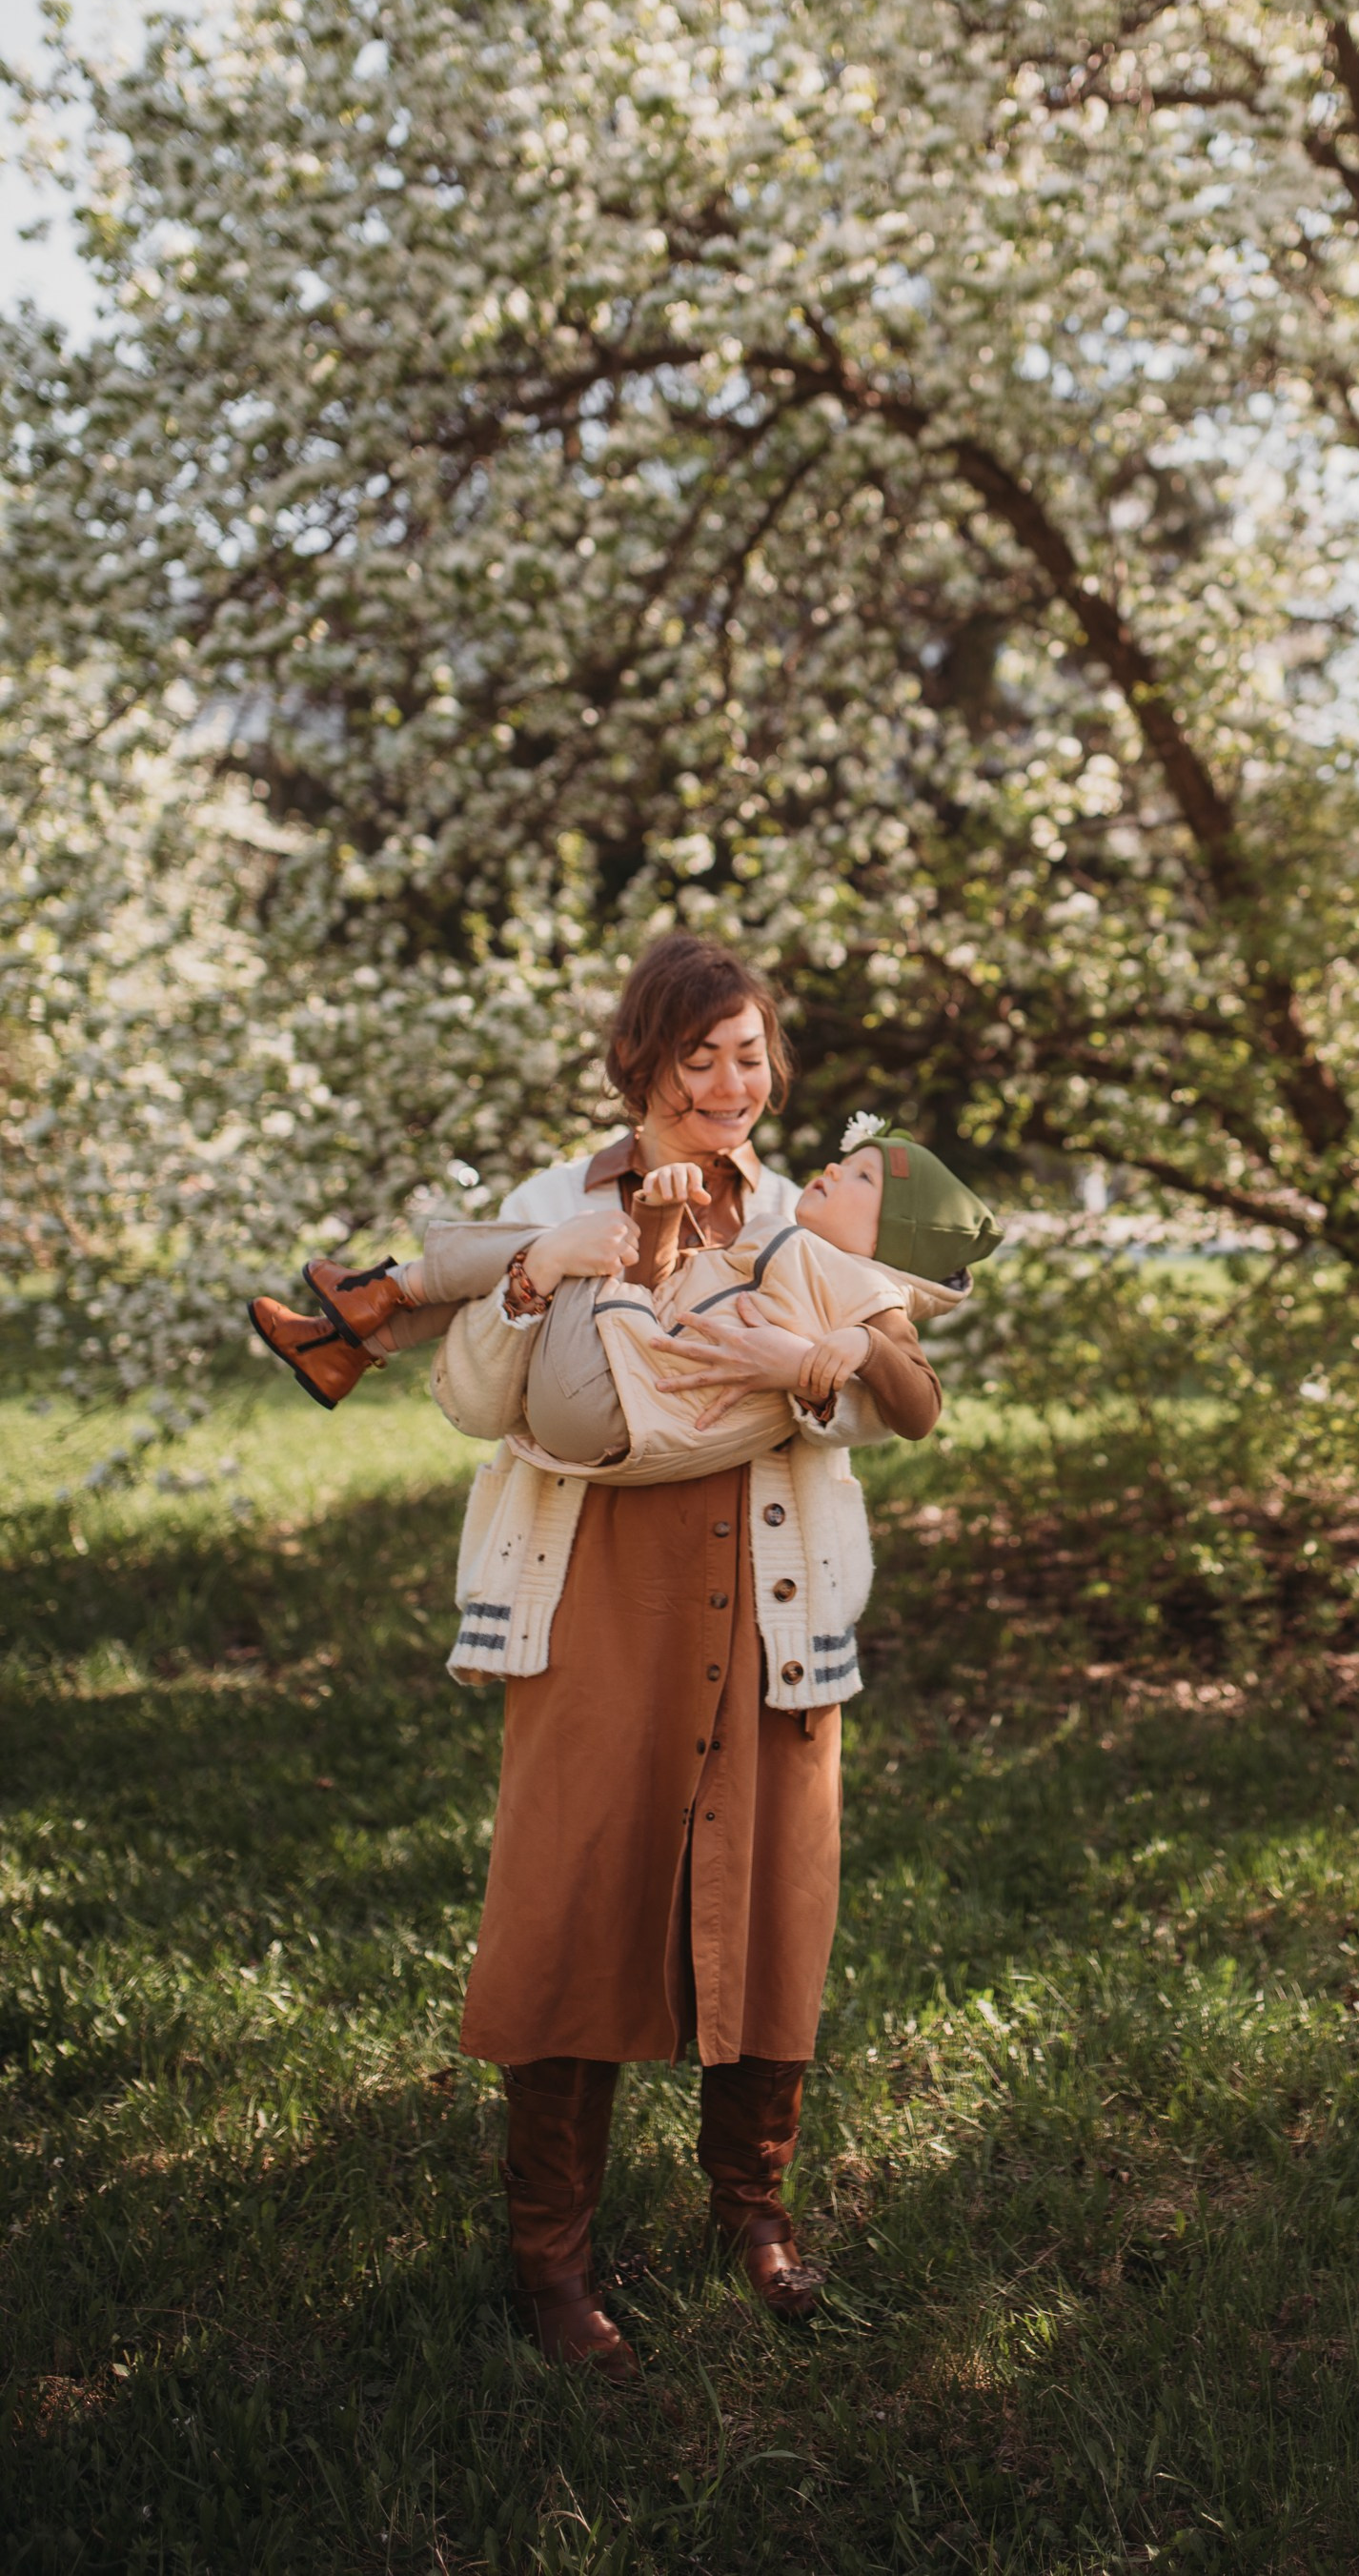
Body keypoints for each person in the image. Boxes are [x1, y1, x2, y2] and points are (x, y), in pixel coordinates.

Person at [389, 934, 970, 2380]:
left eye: (750, 1055)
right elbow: (471, 1401)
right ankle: (552, 2255)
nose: (728, 1083)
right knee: (573, 1897)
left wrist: (801, 1368)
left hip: (771, 1588)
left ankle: (753, 2211)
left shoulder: (802, 1215)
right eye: (697, 1056)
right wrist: (535, 1281)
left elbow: (883, 1393)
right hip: (598, 1589)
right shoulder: (552, 1201)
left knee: (771, 1899)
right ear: (637, 1061)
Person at [246, 1123, 996, 1481]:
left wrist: (854, 1350)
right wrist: (662, 1217)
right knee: (578, 1247)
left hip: (611, 1400)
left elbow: (920, 1408)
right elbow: (654, 1291)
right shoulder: (793, 1246)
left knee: (580, 1241)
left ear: (889, 1238)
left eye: (862, 1178)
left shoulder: (869, 1288)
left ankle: (385, 1291)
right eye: (844, 1158)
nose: (832, 1168)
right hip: (610, 1392)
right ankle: (346, 1343)